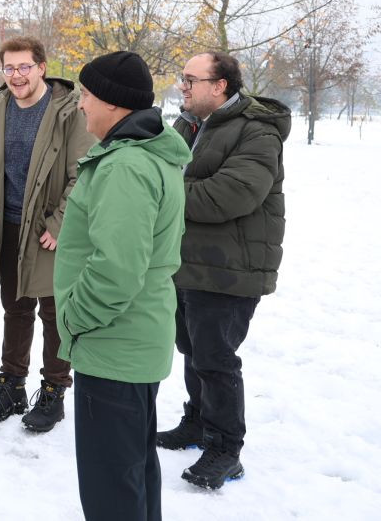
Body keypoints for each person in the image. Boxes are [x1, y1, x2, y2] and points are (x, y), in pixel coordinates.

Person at [54, 50, 190, 521]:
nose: (80, 105)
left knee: (111, 483)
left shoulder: (125, 167)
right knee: (130, 471)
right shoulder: (141, 156)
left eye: (86, 95)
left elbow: (116, 271)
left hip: (113, 343)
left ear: (112, 103)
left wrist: (72, 317)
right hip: (130, 340)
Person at [157, 52, 290, 490]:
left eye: (191, 79)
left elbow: (230, 195)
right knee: (192, 348)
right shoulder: (187, 125)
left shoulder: (257, 130)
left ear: (221, 85)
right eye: (183, 78)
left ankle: (225, 449)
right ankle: (196, 423)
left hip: (232, 266)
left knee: (216, 357)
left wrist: (165, 190)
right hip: (188, 260)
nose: (183, 86)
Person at [0, 36, 94, 431]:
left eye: (25, 67)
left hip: (49, 229)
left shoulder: (68, 112)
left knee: (56, 314)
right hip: (7, 226)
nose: (17, 75)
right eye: (10, 68)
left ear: (42, 67)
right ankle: (12, 386)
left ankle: (54, 392)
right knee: (16, 308)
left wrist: (60, 224)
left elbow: (83, 174)